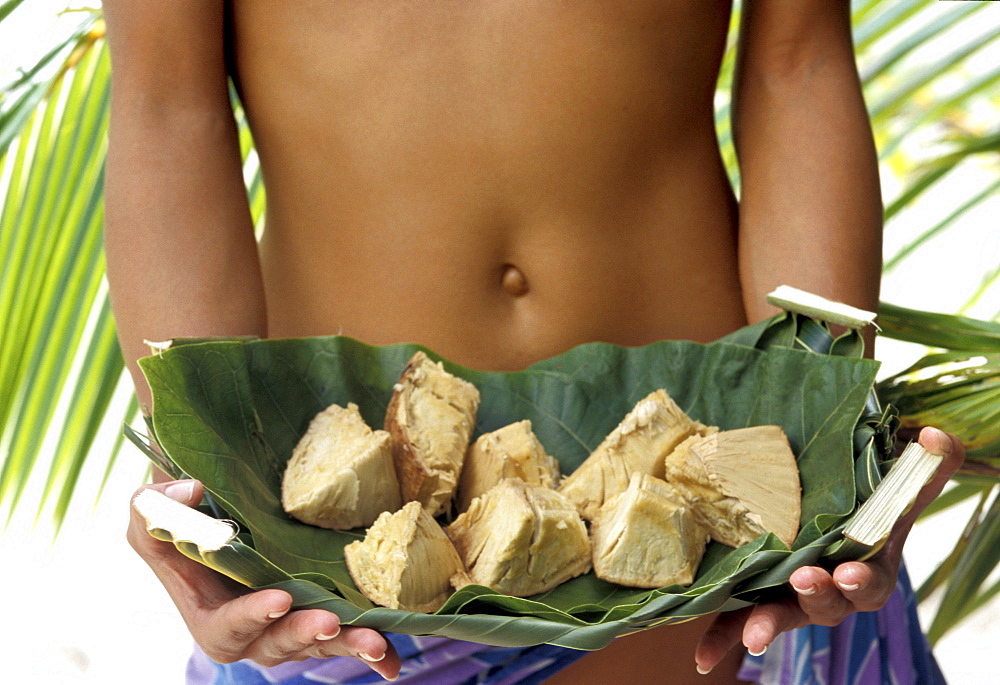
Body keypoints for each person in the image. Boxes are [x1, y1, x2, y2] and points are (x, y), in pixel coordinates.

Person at [103, 1, 964, 683]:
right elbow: (167, 106)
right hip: (360, 558)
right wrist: (206, 475)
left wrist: (823, 436)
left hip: (712, 510)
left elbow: (796, 65)